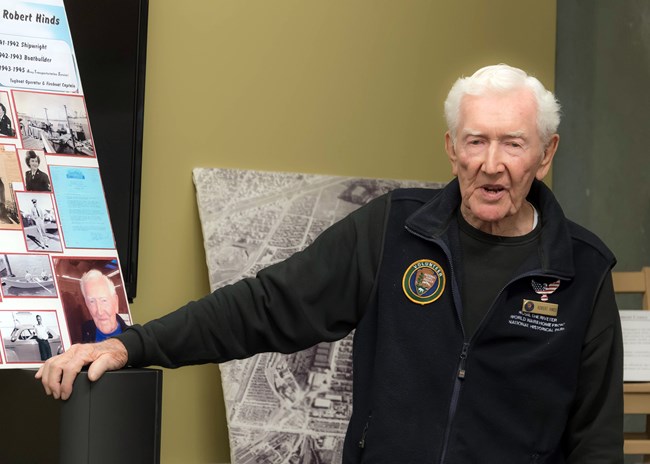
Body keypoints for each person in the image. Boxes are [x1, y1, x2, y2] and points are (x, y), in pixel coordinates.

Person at [36, 64, 623, 462]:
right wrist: (129, 345)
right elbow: (265, 305)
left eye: (512, 143)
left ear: (545, 155)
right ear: (451, 147)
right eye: (475, 141)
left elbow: (595, 441)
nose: (490, 163)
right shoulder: (393, 229)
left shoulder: (584, 271)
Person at [79, 269, 128, 342]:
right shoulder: (85, 330)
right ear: (87, 304)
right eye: (92, 301)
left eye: (104, 300)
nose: (100, 311)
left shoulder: (132, 337)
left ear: (115, 301)